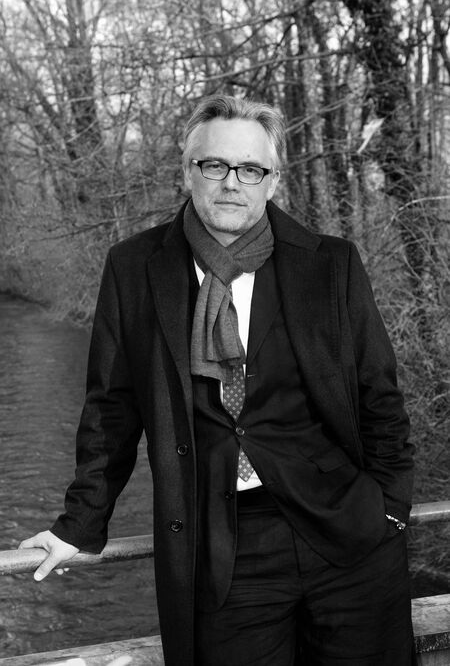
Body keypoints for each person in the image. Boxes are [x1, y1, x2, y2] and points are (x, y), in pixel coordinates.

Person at [20, 95, 416, 666]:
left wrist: (391, 510)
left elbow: (380, 395)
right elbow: (111, 408)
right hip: (222, 548)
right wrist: (79, 523)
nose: (232, 182)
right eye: (215, 165)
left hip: (347, 535)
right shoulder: (134, 268)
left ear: (272, 181)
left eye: (251, 169)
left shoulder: (330, 263)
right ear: (188, 173)